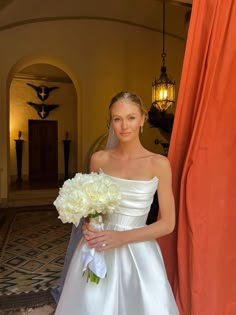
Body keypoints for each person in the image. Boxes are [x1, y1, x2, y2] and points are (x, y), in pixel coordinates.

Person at [55, 91, 179, 315]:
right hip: (99, 247)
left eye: (131, 117)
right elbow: (94, 209)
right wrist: (90, 225)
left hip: (139, 253)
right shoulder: (99, 159)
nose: (124, 126)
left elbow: (168, 223)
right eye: (117, 118)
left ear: (142, 119)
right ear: (111, 122)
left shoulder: (158, 163)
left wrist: (122, 237)